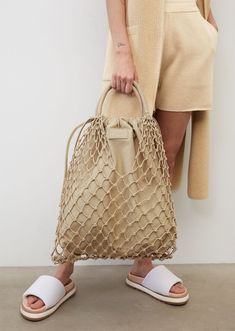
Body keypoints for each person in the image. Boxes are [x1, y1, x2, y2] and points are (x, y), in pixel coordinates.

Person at [20, 0, 218, 320]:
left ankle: (143, 263)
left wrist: (207, 20)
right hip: (140, 35)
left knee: (163, 156)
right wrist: (122, 49)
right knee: (107, 156)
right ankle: (64, 267)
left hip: (191, 35)